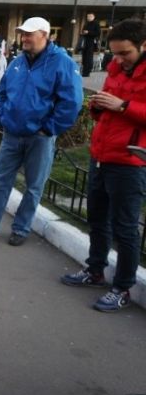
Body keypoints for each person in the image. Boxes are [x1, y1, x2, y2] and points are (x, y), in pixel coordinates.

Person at [0, 17, 82, 246]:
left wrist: (48, 128)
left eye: (29, 34)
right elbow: (1, 93)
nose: (24, 38)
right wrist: (3, 117)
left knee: (33, 187)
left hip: (40, 138)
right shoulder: (18, 62)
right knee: (0, 182)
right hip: (12, 134)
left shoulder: (62, 63)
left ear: (44, 35)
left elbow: (72, 102)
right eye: (23, 34)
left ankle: (21, 228)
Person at [60, 18, 146, 312]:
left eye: (125, 53)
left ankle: (122, 288)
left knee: (125, 228)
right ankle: (95, 270)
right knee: (97, 219)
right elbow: (105, 113)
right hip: (102, 154)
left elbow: (125, 109)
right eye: (115, 53)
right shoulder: (115, 69)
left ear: (143, 45)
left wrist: (122, 106)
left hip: (130, 161)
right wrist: (97, 106)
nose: (118, 60)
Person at [80, 12, 100, 77]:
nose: (88, 18)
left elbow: (98, 33)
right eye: (88, 16)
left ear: (93, 17)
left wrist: (88, 32)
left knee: (89, 57)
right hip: (85, 42)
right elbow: (82, 31)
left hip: (91, 42)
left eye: (90, 16)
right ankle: (84, 71)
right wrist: (83, 32)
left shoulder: (96, 24)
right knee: (84, 57)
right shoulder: (86, 24)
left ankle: (87, 71)